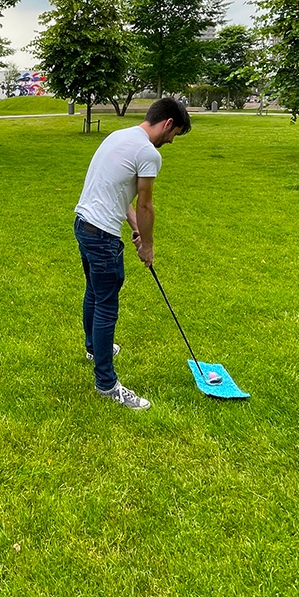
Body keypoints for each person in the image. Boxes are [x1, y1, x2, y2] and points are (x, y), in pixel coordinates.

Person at [73, 97, 192, 411]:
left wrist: (136, 229)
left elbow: (116, 190)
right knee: (107, 305)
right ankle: (106, 383)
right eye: (175, 134)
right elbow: (145, 204)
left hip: (83, 224)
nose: (171, 141)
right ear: (168, 124)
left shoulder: (119, 136)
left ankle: (92, 349)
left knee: (95, 293)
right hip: (101, 236)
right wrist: (148, 245)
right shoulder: (148, 153)